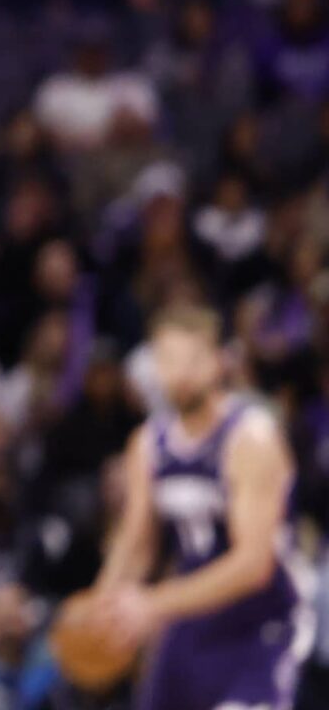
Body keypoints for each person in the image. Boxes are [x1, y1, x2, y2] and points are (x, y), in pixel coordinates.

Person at [89, 303, 314, 710]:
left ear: (217, 363)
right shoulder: (147, 444)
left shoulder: (250, 440)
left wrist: (152, 604)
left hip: (262, 625)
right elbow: (138, 544)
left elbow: (253, 565)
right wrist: (104, 603)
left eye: (193, 359)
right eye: (168, 359)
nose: (181, 373)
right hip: (190, 621)